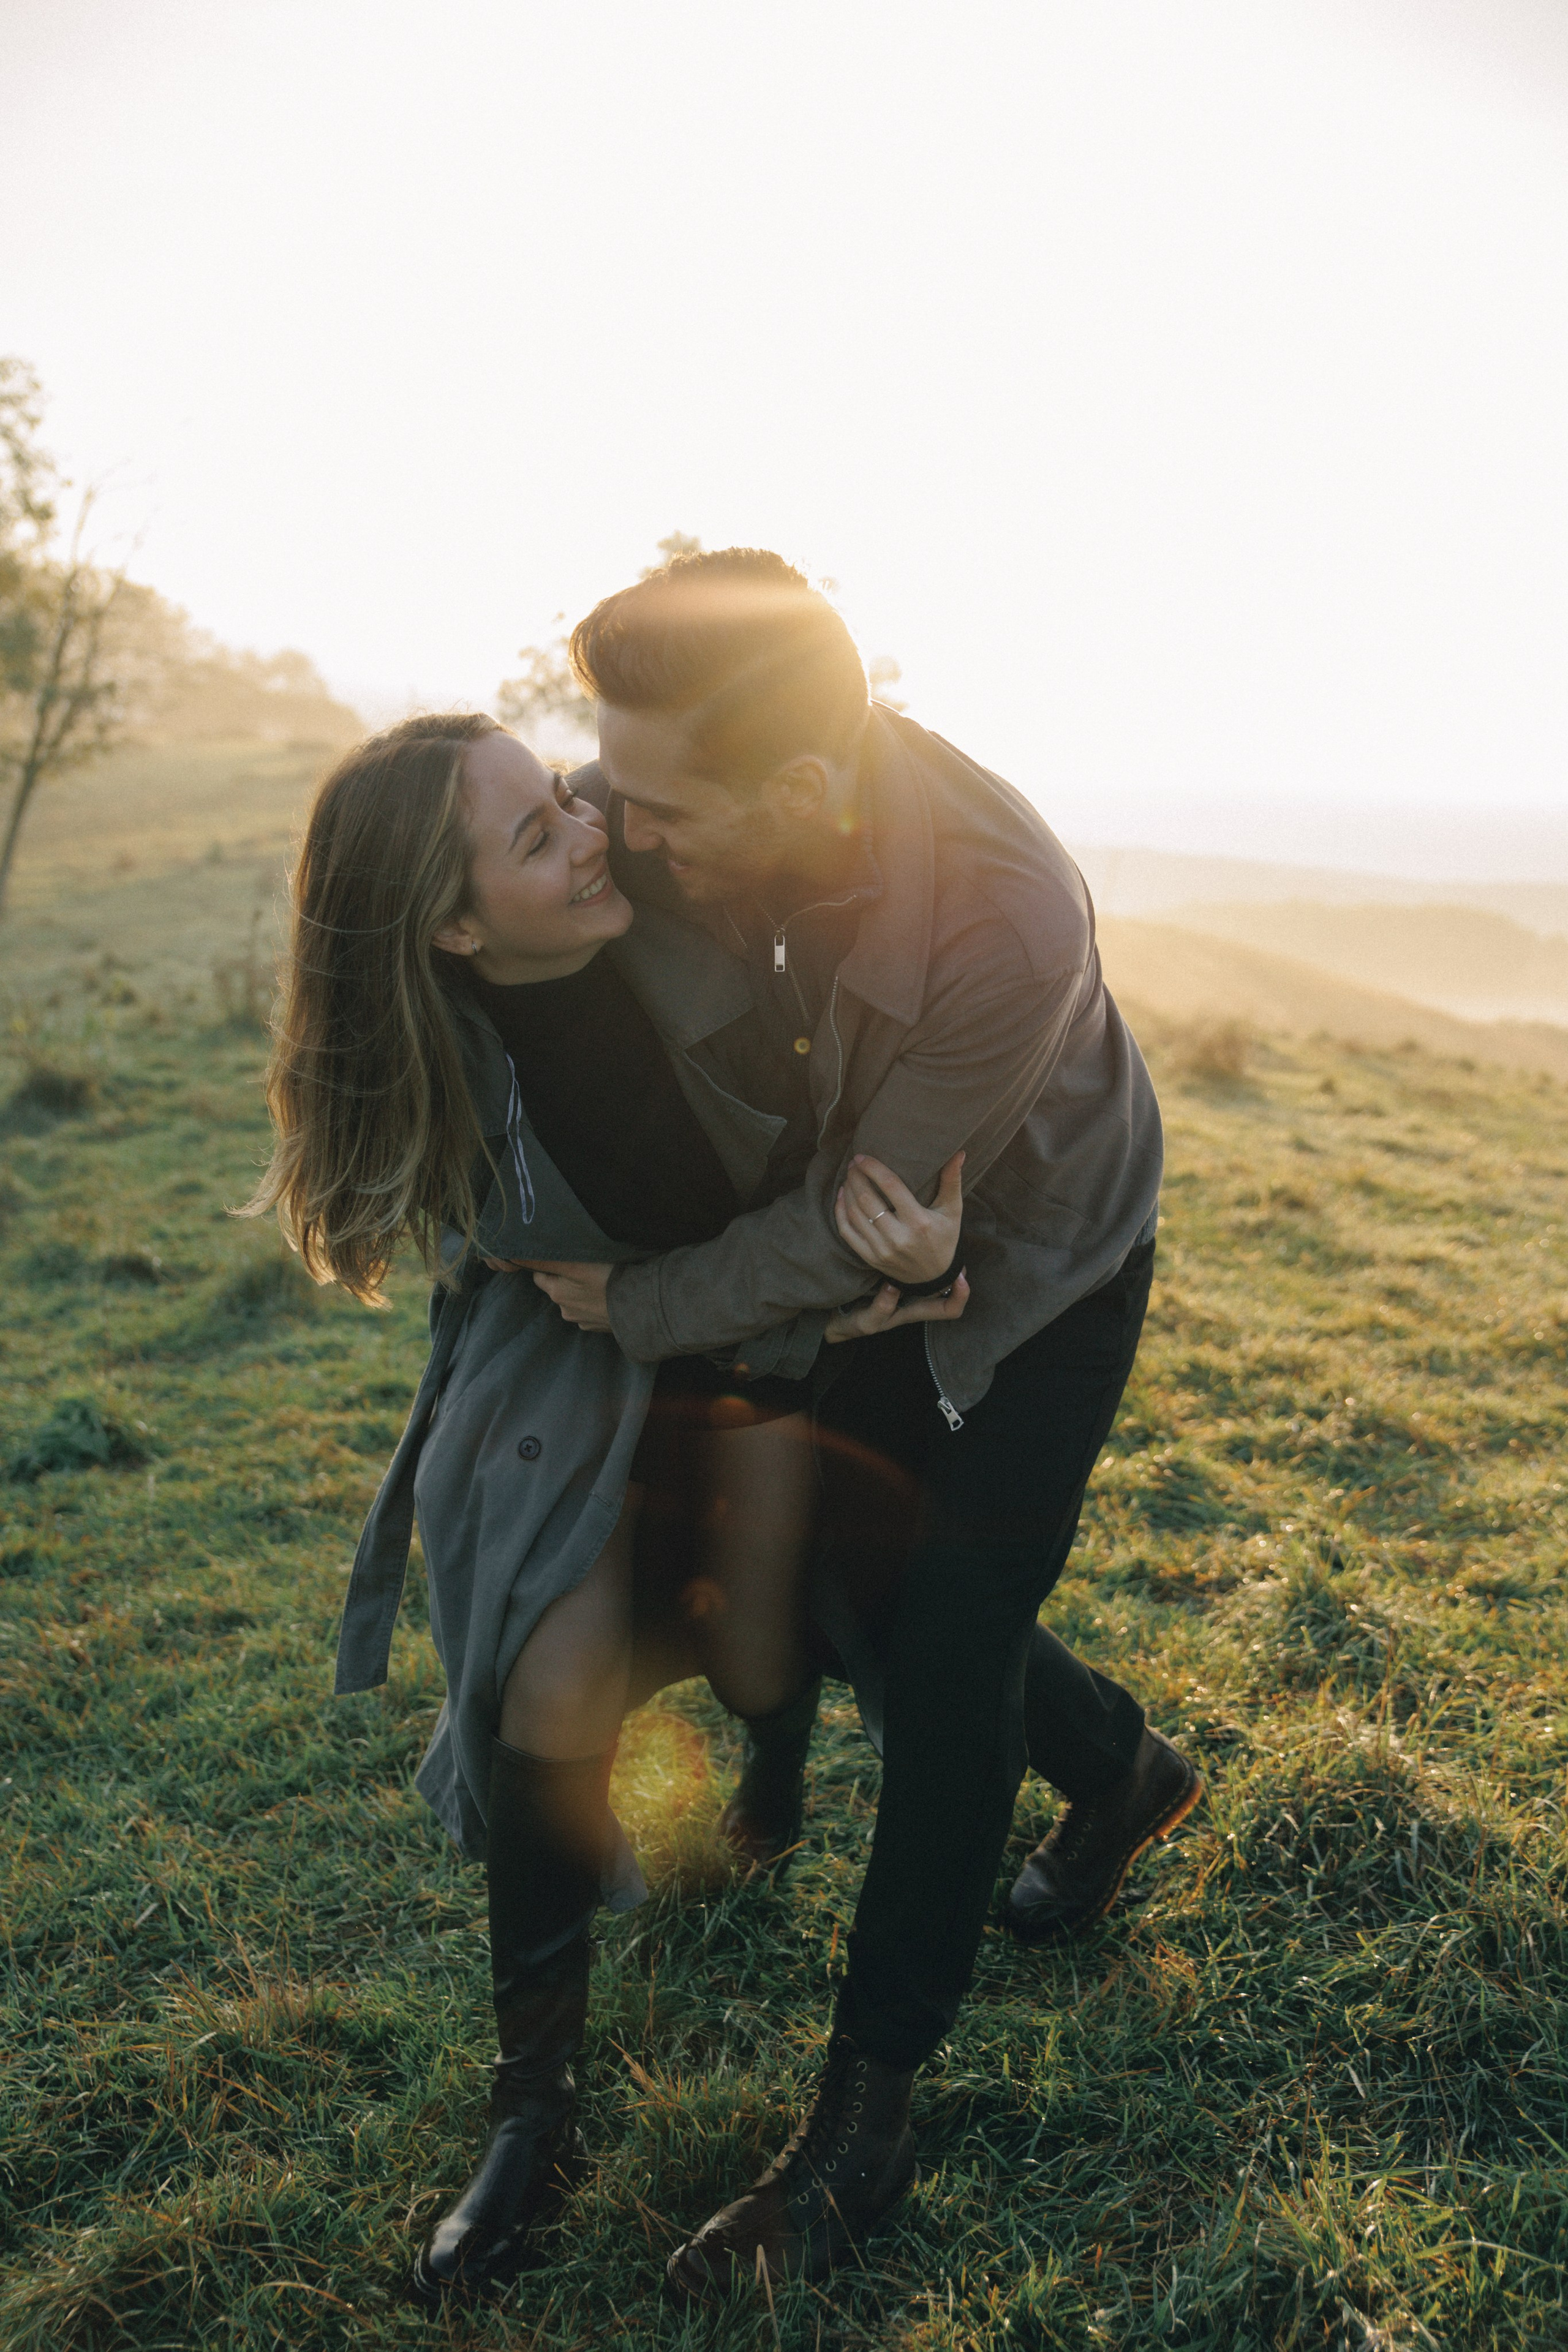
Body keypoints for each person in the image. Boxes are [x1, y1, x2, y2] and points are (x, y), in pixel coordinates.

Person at [526, 548, 1204, 2301]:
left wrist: (646, 1309)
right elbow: (846, 1222)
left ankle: (861, 2145)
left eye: (657, 808)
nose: (622, 826)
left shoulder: (1003, 915)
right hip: (887, 1250)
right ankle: (1129, 1770)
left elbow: (863, 1221)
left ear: (807, 790)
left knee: (951, 1655)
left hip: (1041, 1279)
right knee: (864, 1584)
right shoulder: (701, 794)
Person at [244, 713, 967, 2306]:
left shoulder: (685, 898)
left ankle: (781, 1754)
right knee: (548, 1679)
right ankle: (533, 2113)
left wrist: (836, 1304)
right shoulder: (457, 1072)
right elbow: (504, 1257)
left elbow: (834, 1141)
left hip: (771, 1349)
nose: (584, 829)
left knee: (771, 1647)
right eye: (532, 838)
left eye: (561, 794)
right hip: (580, 1385)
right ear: (452, 926)